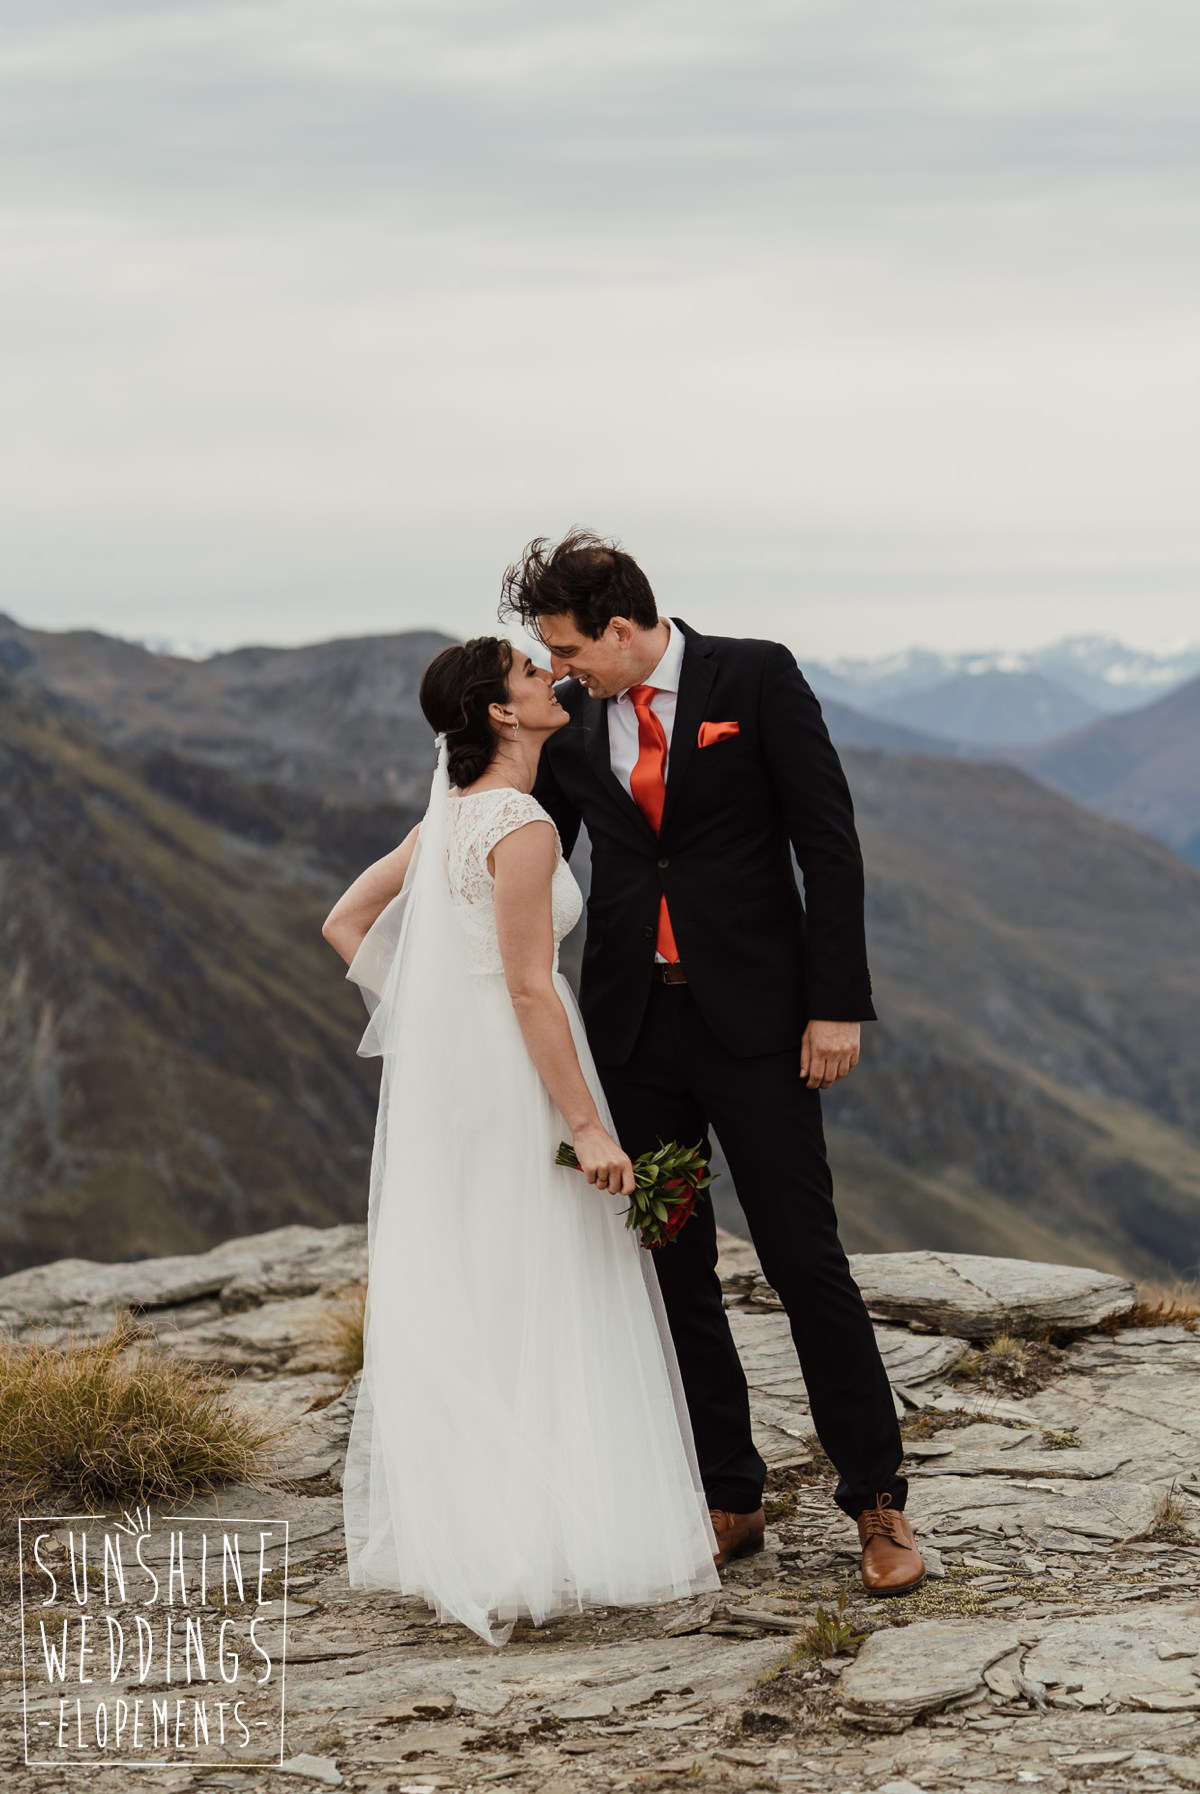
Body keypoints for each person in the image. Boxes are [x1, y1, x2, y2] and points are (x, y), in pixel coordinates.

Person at [501, 530, 925, 1597]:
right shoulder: (571, 720)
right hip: (638, 1041)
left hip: (760, 1034)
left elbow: (827, 843)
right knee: (673, 1262)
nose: (559, 665)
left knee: (802, 1259)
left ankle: (877, 1504)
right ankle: (729, 1498)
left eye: (568, 645)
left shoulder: (756, 675)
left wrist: (837, 1006)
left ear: (624, 627)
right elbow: (532, 848)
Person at [321, 635, 722, 1648]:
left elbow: (344, 922)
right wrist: (587, 1122)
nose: (556, 685)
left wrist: (431, 1022)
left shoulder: (445, 816)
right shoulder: (524, 823)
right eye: (535, 679)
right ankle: (545, 1532)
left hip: (457, 1085)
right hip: (521, 1075)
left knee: (481, 1280)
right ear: (502, 714)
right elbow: (533, 986)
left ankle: (475, 1523)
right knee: (544, 1281)